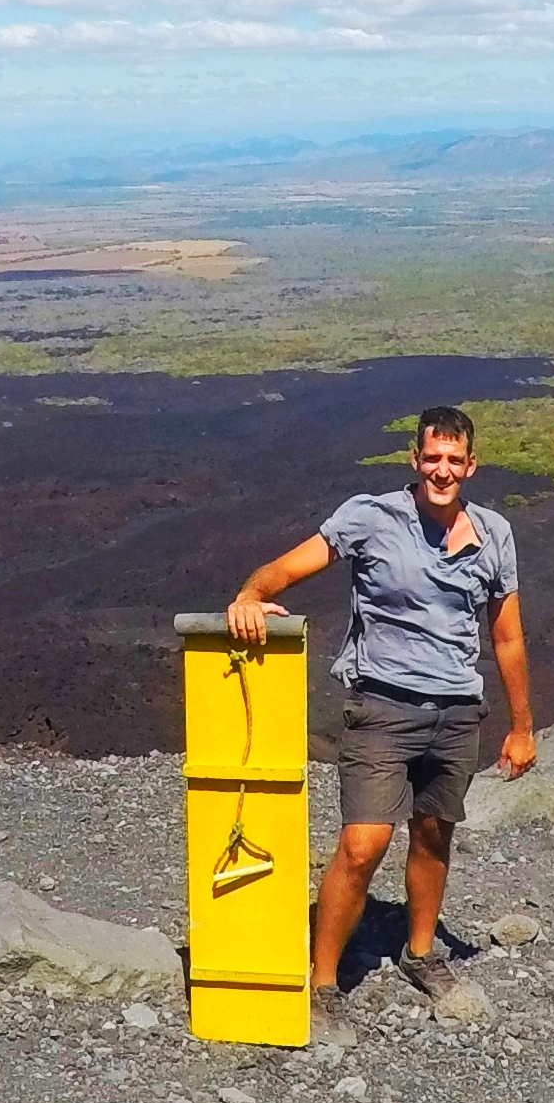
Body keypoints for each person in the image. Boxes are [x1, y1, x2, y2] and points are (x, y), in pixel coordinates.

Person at [222, 403, 535, 1012]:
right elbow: (288, 566)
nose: (441, 470)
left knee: (433, 832)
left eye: (454, 460)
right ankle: (322, 980)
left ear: (471, 465)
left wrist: (522, 726)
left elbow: (508, 637)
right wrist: (251, 595)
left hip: (456, 711)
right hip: (381, 707)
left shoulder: (496, 533)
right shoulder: (370, 517)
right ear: (414, 460)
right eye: (431, 458)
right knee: (364, 844)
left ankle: (422, 952)